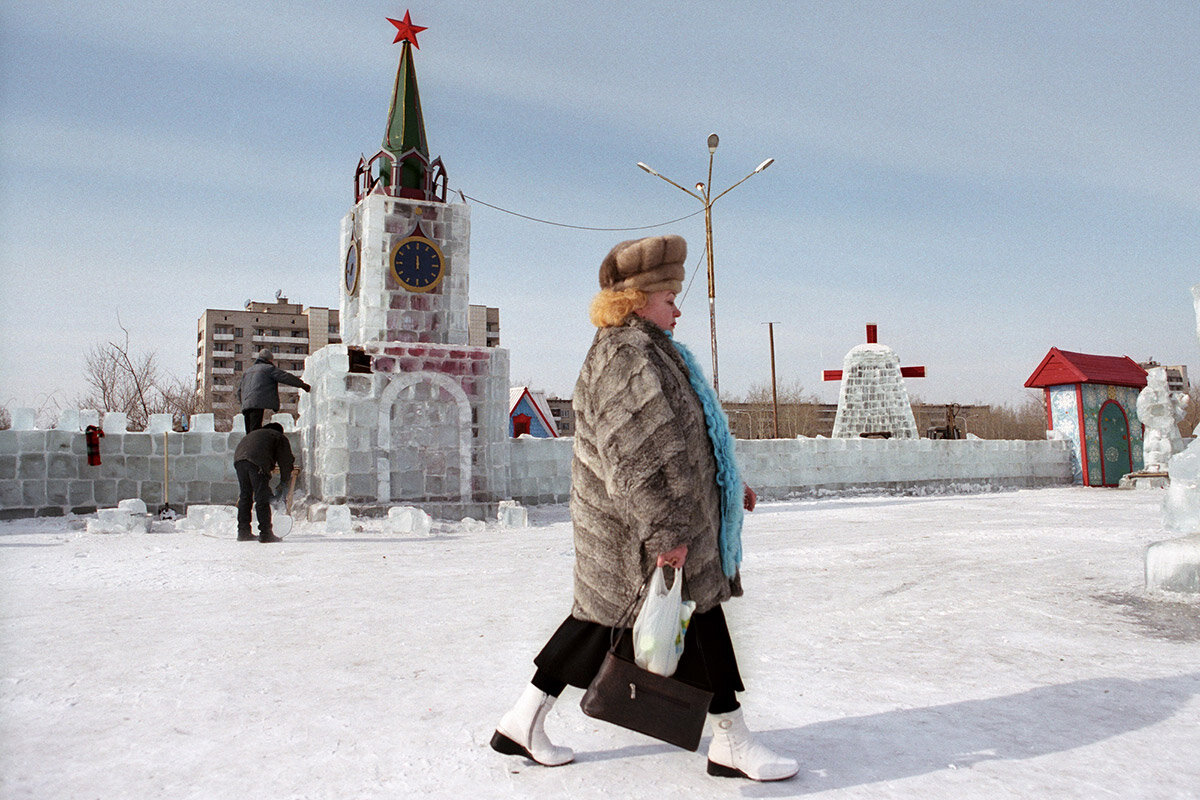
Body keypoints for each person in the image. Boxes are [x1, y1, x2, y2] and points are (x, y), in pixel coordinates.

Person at [491, 235, 798, 782]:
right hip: (637, 527)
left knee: (598, 624)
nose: (677, 307)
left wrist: (730, 487)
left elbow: (688, 437)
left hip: (655, 521)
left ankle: (522, 720)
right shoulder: (626, 355)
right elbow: (640, 455)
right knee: (696, 616)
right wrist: (666, 531)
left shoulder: (652, 350)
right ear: (635, 300)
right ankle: (733, 739)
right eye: (668, 297)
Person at [233, 421, 294, 543]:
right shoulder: (278, 436)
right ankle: (266, 533)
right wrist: (284, 482)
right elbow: (286, 462)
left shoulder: (255, 434)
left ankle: (243, 532)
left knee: (245, 496)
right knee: (262, 497)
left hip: (239, 461)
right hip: (256, 462)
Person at [237, 349, 311, 433]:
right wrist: (303, 385)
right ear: (269, 359)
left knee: (250, 431)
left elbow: (239, 391)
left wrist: (243, 403)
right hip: (257, 402)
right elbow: (285, 377)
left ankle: (251, 444)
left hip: (246, 404)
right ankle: (265, 438)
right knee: (255, 431)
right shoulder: (269, 369)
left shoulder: (247, 371)